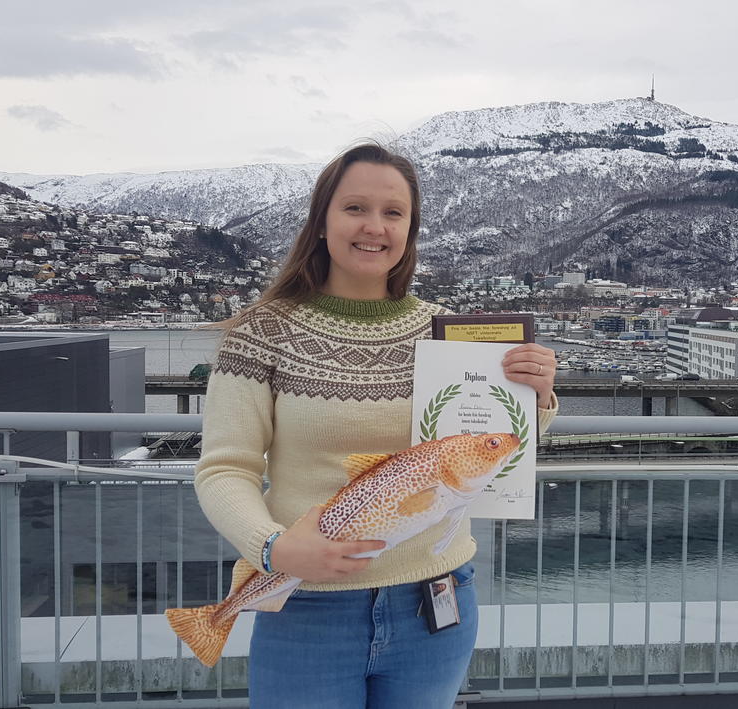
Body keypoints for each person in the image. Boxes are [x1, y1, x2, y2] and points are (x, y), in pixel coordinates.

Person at [194, 142, 559, 708]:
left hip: (435, 596)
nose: (374, 227)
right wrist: (273, 549)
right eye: (355, 208)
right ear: (322, 222)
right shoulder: (260, 332)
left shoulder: (449, 335)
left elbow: (495, 452)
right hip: (305, 601)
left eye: (393, 213)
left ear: (410, 232)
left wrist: (534, 396)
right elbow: (224, 469)